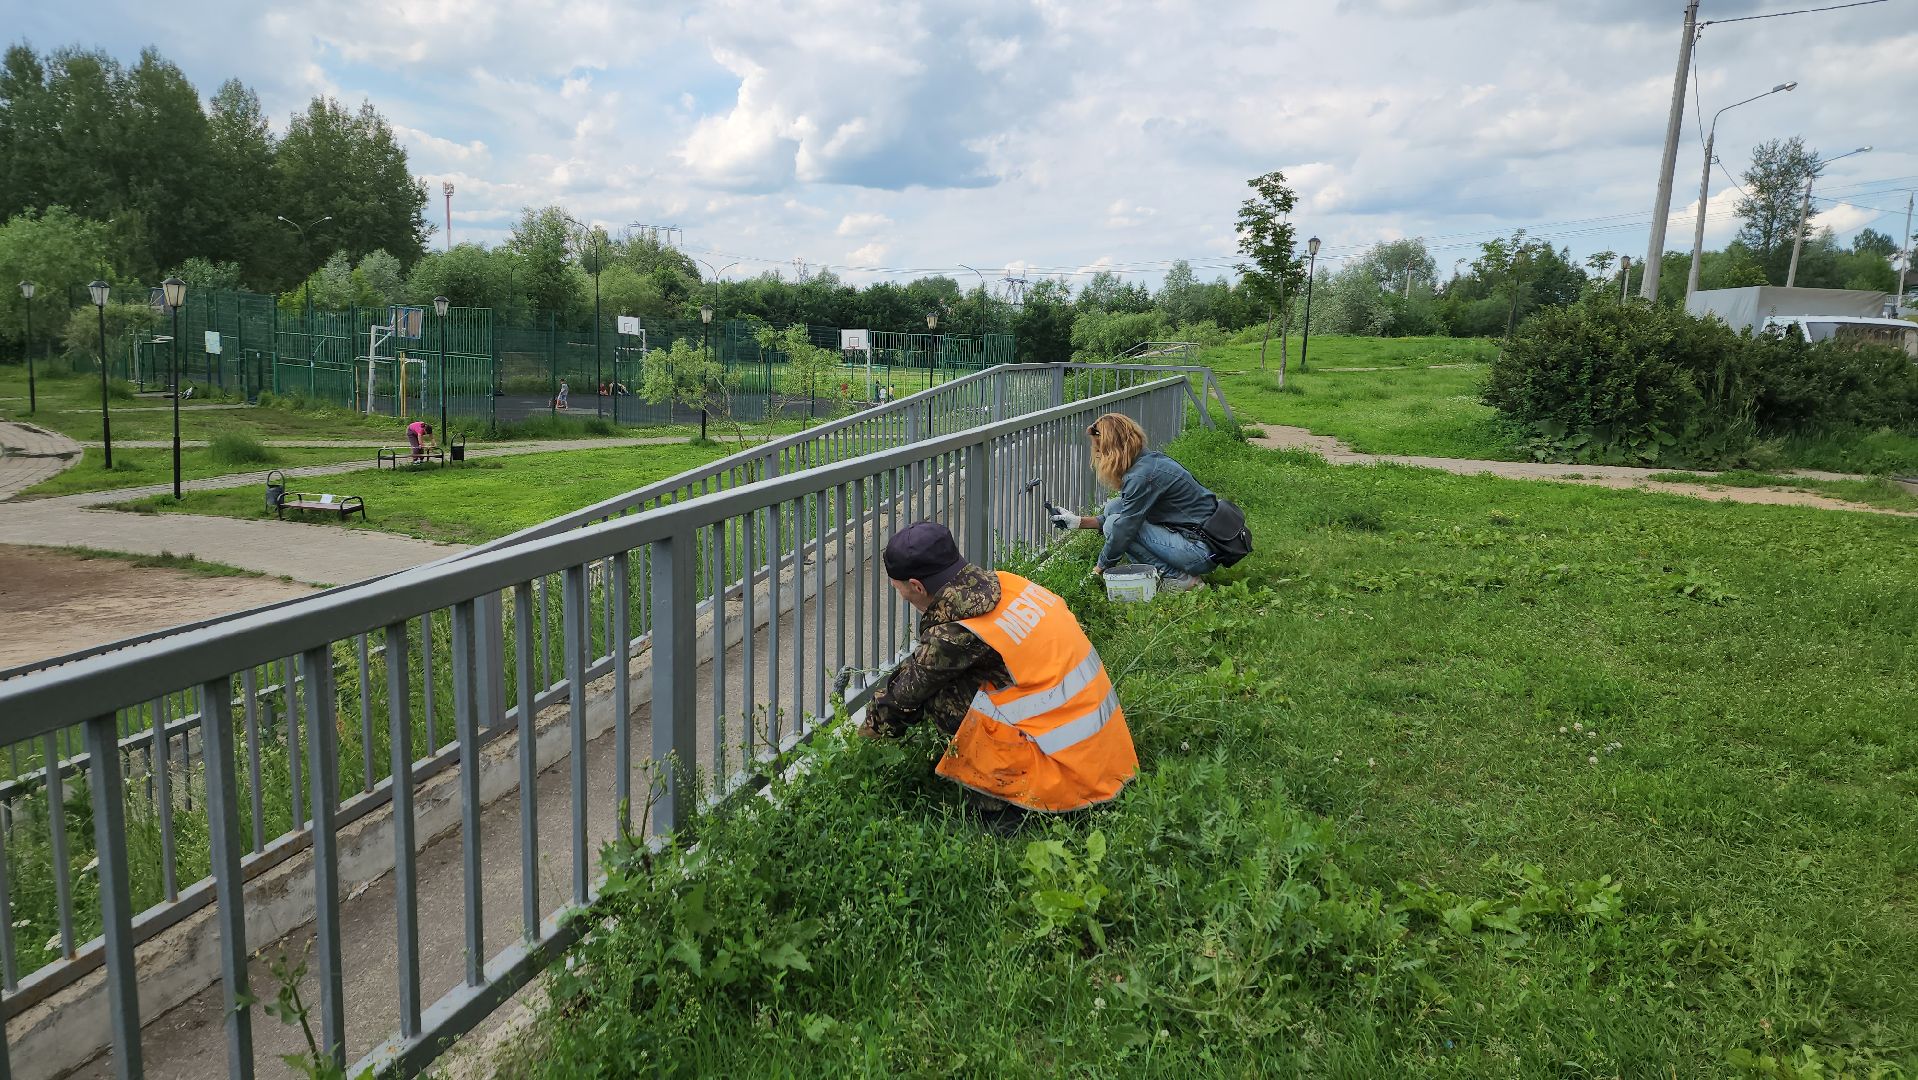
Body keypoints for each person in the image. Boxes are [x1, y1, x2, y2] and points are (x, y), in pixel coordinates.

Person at [860, 521, 1137, 831]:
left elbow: (903, 696)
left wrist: (860, 746)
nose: (905, 598)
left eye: (902, 592)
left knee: (941, 695)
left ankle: (1001, 811)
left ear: (917, 586)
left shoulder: (954, 633)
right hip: (1108, 753)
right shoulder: (1006, 584)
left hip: (1071, 774)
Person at [1050, 413, 1220, 593]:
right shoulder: (1147, 462)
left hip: (1199, 552)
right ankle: (1178, 574)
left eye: (1099, 450)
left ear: (1112, 449)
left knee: (1113, 525)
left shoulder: (1141, 477)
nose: (1098, 456)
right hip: (1200, 542)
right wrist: (1078, 522)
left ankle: (1178, 579)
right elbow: (1128, 513)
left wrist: (1098, 570)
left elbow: (1123, 529)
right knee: (1114, 507)